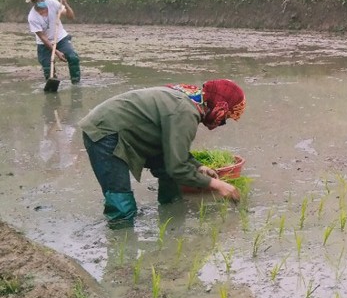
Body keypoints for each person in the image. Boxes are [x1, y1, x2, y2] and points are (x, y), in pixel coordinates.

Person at [79, 79, 246, 228]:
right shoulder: (186, 112)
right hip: (105, 131)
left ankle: (171, 216)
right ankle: (122, 242)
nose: (221, 122)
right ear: (220, 106)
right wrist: (218, 185)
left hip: (129, 128)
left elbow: (171, 150)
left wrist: (198, 166)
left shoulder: (190, 97)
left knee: (167, 169)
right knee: (120, 201)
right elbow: (178, 168)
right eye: (225, 117)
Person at [26, 0, 82, 84]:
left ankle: (76, 83)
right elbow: (43, 37)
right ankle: (52, 84)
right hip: (44, 43)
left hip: (60, 38)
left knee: (73, 57)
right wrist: (56, 52)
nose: (42, 0)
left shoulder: (53, 4)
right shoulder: (32, 17)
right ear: (33, 1)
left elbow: (71, 16)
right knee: (48, 68)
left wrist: (65, 3)